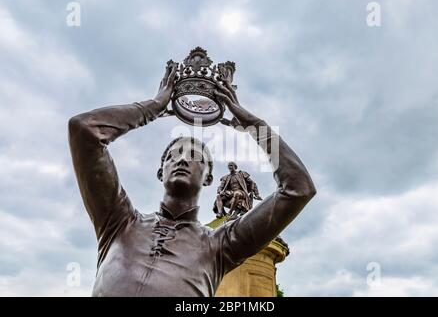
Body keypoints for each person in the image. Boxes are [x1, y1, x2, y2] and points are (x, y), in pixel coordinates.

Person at [68, 63, 316, 296]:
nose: (183, 159)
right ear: (160, 172)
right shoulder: (118, 222)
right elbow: (84, 130)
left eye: (195, 156)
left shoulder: (220, 245)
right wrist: (152, 108)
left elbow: (298, 188)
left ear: (208, 178)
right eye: (174, 155)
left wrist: (255, 127)